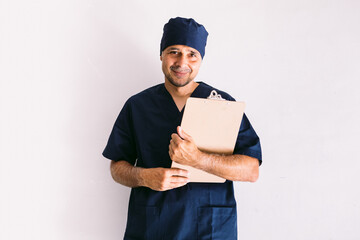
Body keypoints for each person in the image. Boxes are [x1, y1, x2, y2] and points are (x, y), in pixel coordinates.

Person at [103, 17, 262, 240]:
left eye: (192, 54)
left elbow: (251, 170)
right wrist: (143, 177)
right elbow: (117, 167)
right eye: (174, 51)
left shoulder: (222, 105)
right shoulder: (137, 106)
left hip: (210, 229)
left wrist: (198, 159)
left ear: (201, 59)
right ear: (161, 54)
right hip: (152, 229)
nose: (182, 62)